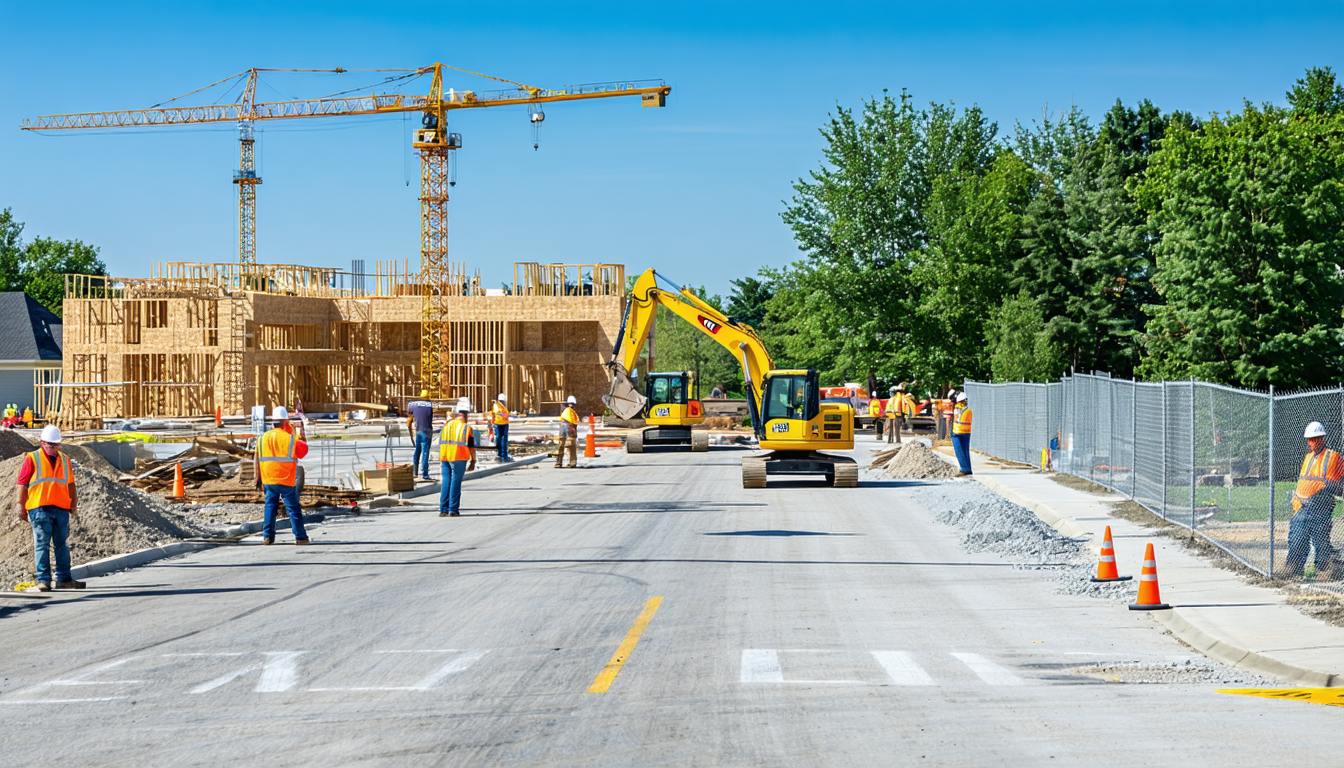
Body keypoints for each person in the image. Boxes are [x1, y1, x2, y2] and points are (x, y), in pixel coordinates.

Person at [15, 425, 83, 591]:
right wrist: (21, 505)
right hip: (39, 508)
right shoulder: (32, 458)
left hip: (61, 508)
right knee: (42, 544)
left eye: (56, 444)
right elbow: (22, 483)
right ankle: (43, 579)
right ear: (42, 443)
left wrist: (73, 503)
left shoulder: (65, 460)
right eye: (51, 444)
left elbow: (71, 484)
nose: (54, 447)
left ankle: (64, 579)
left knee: (62, 545)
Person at [1286, 421, 1344, 580]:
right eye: (1309, 439)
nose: (1312, 442)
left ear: (1322, 438)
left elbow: (1340, 487)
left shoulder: (1333, 456)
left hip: (1321, 507)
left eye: (1315, 439)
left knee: (1321, 543)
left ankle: (1326, 572)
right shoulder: (1308, 458)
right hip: (1301, 507)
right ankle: (1293, 570)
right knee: (1296, 540)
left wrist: (1327, 486)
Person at [257, 406, 310, 545]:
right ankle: (301, 537)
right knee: (293, 508)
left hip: (269, 479)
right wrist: (301, 437)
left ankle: (268, 537)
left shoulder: (262, 438)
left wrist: (258, 479)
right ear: (286, 422)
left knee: (270, 507)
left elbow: (258, 459)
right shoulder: (290, 438)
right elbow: (303, 452)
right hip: (286, 479)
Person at [439, 403, 477, 516]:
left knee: (446, 481)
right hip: (458, 456)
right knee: (455, 482)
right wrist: (473, 460)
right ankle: (453, 509)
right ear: (463, 415)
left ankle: (443, 509)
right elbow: (471, 446)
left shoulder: (446, 426)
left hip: (445, 456)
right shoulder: (465, 428)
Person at [406, 389, 435, 481]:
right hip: (427, 431)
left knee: (417, 451)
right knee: (425, 452)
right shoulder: (429, 405)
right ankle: (425, 474)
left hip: (419, 431)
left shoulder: (413, 405)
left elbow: (410, 417)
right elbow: (430, 417)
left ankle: (415, 472)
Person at [951, 392, 972, 475]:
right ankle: (968, 468)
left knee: (959, 451)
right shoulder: (969, 410)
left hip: (957, 432)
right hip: (967, 432)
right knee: (965, 451)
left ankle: (964, 468)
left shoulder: (957, 409)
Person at [555, 395, 579, 469]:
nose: (572, 405)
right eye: (571, 404)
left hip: (569, 428)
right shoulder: (567, 411)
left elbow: (575, 422)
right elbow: (570, 421)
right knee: (562, 445)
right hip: (566, 428)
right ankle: (559, 462)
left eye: (573, 404)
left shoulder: (572, 412)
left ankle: (572, 462)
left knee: (572, 446)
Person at [490, 393, 512, 462]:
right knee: (500, 440)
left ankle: (504, 455)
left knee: (503, 440)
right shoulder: (497, 405)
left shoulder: (502, 405)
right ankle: (501, 455)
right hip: (499, 424)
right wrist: (505, 415)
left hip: (504, 424)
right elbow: (498, 412)